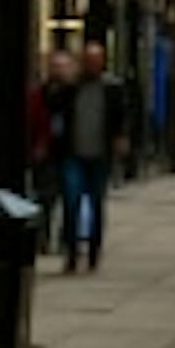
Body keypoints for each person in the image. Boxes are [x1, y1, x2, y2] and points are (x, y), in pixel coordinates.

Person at [37, 46, 115, 271]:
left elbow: (119, 117)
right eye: (87, 60)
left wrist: (120, 138)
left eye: (95, 61)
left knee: (96, 204)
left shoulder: (110, 88)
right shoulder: (71, 89)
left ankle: (93, 251)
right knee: (71, 203)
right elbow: (50, 104)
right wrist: (57, 79)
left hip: (99, 154)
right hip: (73, 154)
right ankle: (71, 252)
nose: (91, 65)